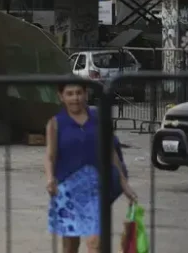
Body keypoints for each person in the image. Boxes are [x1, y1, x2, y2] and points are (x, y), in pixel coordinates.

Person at [45, 82, 137, 253]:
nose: (75, 98)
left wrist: (124, 184)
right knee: (70, 246)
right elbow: (50, 156)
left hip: (95, 189)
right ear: (61, 96)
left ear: (86, 94)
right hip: (67, 191)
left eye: (79, 93)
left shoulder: (99, 120)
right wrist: (50, 178)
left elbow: (111, 153)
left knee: (96, 242)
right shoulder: (55, 124)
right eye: (70, 94)